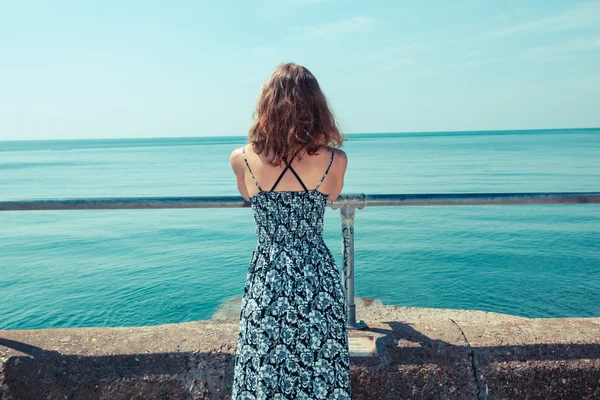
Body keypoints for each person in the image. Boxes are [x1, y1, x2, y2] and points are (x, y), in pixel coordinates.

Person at [229, 62, 351, 399]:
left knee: (265, 369)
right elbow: (333, 194)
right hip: (316, 275)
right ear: (316, 106)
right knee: (321, 371)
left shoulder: (240, 158)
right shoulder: (335, 160)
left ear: (267, 105)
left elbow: (246, 195)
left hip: (268, 275)